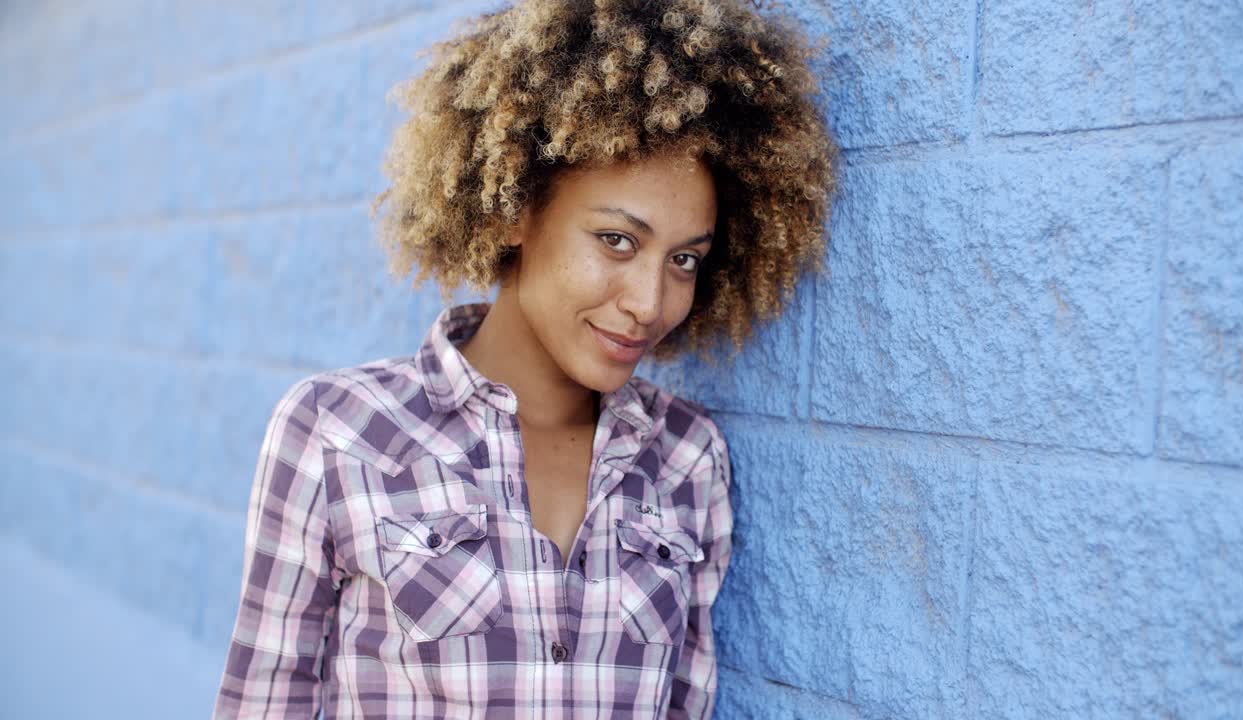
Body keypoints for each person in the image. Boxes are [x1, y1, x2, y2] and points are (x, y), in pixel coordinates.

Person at [211, 0, 837, 717]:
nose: (649, 302)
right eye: (617, 241)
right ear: (514, 210)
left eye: (685, 259)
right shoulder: (336, 432)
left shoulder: (688, 459)